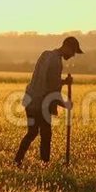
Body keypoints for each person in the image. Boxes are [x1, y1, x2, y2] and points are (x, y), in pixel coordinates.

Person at [14, 36, 83, 166]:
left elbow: (49, 82)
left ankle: (17, 160)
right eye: (73, 52)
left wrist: (62, 83)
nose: (73, 55)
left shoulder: (47, 55)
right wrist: (65, 103)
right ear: (67, 47)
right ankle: (45, 165)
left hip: (30, 99)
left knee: (32, 132)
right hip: (40, 102)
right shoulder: (56, 61)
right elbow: (52, 88)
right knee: (46, 135)